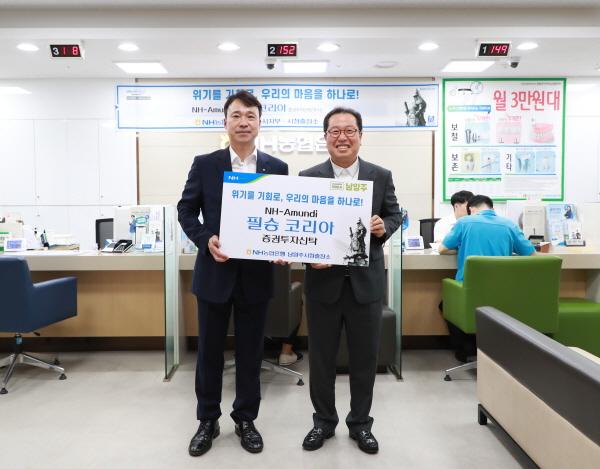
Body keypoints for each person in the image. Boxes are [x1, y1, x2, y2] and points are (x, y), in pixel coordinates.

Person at [177, 91, 288, 457]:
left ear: (259, 123)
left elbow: (282, 217)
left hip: (256, 276)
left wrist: (282, 246)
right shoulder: (205, 164)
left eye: (250, 116)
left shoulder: (276, 167)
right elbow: (186, 210)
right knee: (209, 353)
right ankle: (207, 420)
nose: (243, 122)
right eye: (236, 115)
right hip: (215, 273)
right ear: (225, 122)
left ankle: (245, 419)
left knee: (251, 354)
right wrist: (205, 238)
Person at [299, 107, 401, 455]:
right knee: (321, 361)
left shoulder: (380, 175)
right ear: (325, 136)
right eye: (335, 131)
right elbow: (300, 225)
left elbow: (394, 213)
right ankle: (323, 422)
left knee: (364, 360)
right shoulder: (308, 177)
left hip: (365, 284)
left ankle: (360, 424)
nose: (342, 137)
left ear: (360, 135)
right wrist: (307, 255)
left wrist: (383, 227)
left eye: (349, 130)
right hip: (322, 284)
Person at [438, 195, 535, 360]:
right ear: (492, 208)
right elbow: (530, 254)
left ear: (471, 209)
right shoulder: (509, 225)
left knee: (447, 303)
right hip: (503, 292)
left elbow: (442, 249)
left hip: (469, 291)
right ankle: (491, 347)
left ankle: (467, 348)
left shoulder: (464, 222)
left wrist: (462, 247)